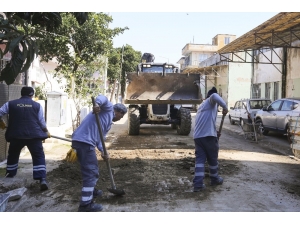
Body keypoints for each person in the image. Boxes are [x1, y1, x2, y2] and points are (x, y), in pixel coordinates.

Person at [72, 94, 127, 212]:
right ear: (117, 112)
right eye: (121, 117)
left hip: (84, 142)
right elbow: (103, 98)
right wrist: (96, 104)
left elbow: (100, 139)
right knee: (91, 172)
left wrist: (104, 151)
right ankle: (85, 205)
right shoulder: (107, 109)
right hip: (84, 142)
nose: (119, 119)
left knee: (89, 170)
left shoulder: (107, 124)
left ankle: (91, 191)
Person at [0, 86, 51, 191]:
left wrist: (1, 122)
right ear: (31, 95)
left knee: (13, 154)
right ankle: (42, 179)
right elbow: (41, 122)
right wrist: (46, 131)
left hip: (16, 135)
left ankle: (10, 174)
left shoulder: (10, 104)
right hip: (34, 136)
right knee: (38, 156)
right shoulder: (37, 105)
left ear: (21, 94)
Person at [192, 87, 228, 192]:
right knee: (213, 158)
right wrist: (225, 107)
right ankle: (214, 179)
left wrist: (215, 132)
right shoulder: (210, 100)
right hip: (208, 137)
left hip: (198, 137)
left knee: (200, 161)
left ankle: (198, 185)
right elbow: (214, 96)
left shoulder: (202, 106)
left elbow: (206, 122)